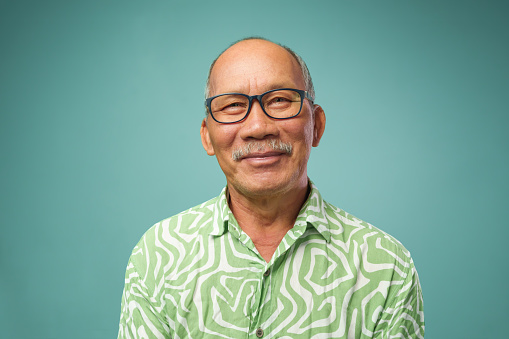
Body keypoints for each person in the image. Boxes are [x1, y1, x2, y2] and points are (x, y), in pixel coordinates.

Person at [118, 37, 424, 339]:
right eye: (233, 105)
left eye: (279, 100)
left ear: (316, 125)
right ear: (207, 136)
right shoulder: (157, 254)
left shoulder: (386, 265)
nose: (257, 128)